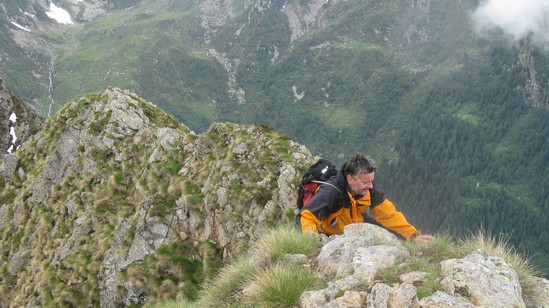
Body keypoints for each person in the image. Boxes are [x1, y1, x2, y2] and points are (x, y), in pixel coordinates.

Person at [296, 153, 433, 242]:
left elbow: (389, 215)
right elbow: (306, 217)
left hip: (356, 222)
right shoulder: (330, 192)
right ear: (350, 179)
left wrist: (414, 236)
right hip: (332, 234)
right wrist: (313, 244)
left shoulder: (368, 185)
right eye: (365, 182)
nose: (371, 186)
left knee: (390, 236)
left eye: (371, 181)